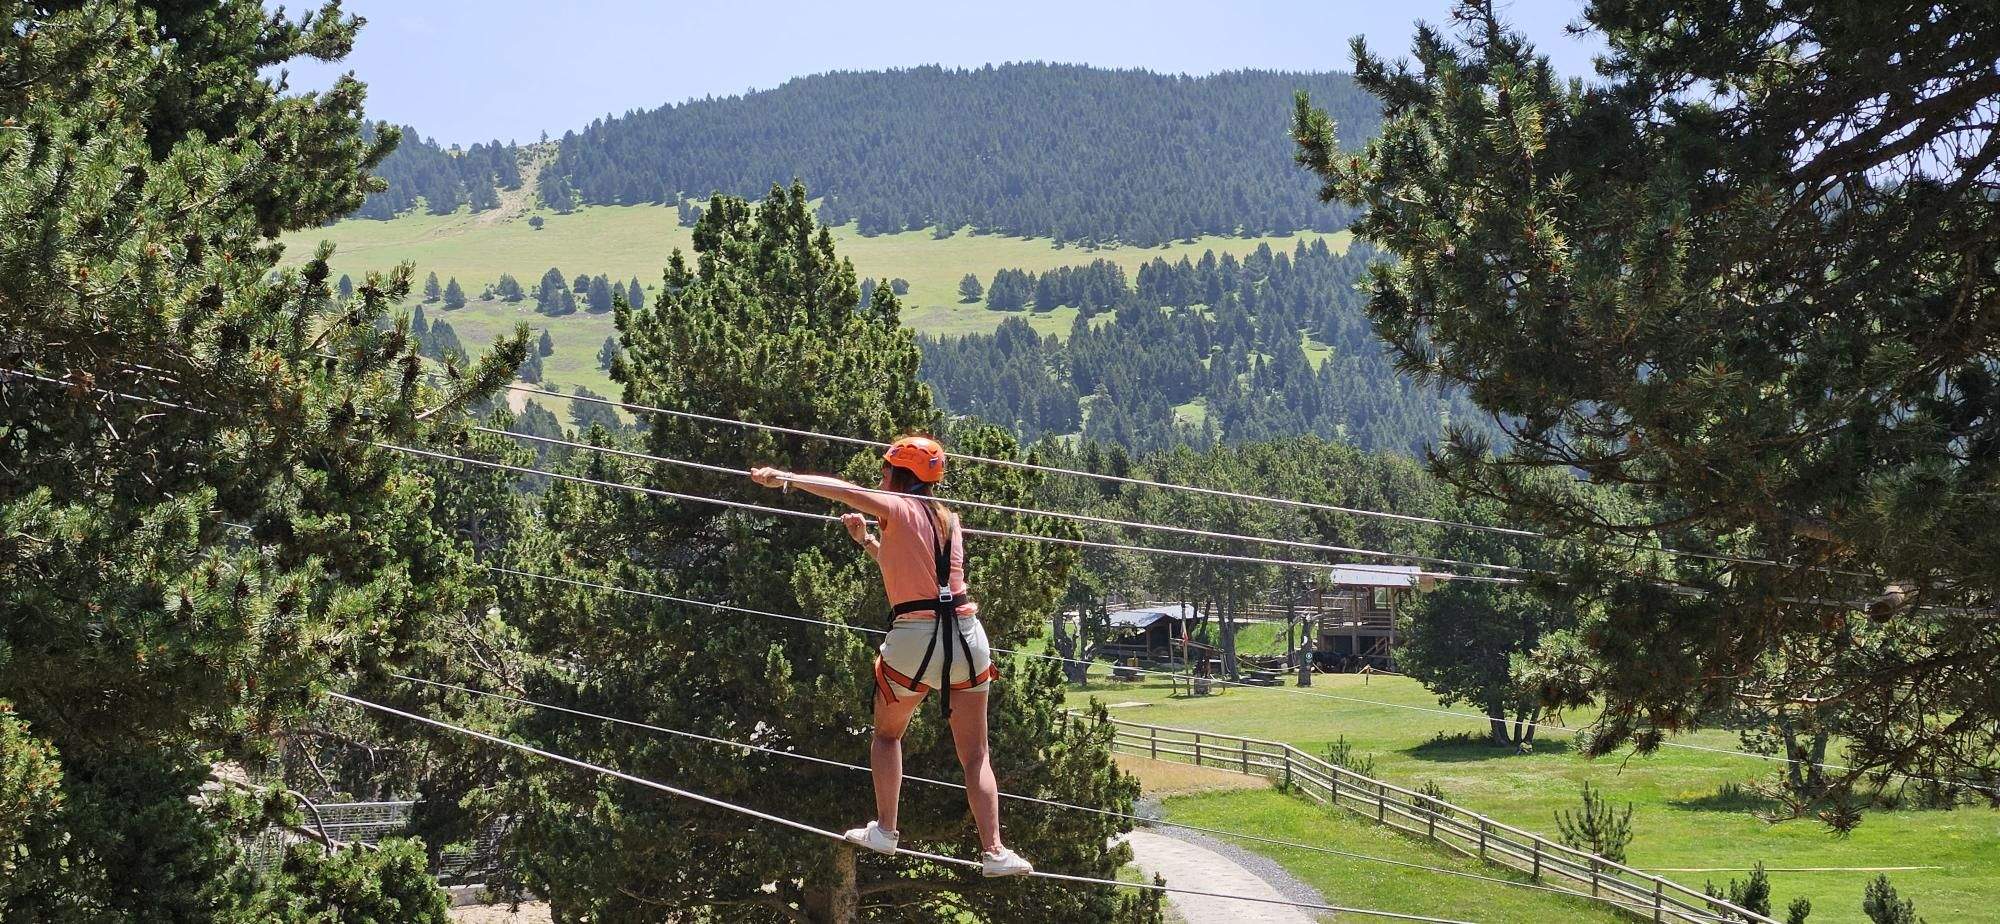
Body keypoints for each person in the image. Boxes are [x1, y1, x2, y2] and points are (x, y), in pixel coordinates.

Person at [749, 435, 1033, 877]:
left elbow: (842, 490)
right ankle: (994, 851)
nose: (880, 476)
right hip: (966, 637)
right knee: (976, 755)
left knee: (887, 736)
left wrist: (784, 478)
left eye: (885, 470)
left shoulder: (896, 506)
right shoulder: (949, 520)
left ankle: (886, 829)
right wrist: (867, 542)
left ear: (898, 475)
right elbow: (915, 573)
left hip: (914, 638)